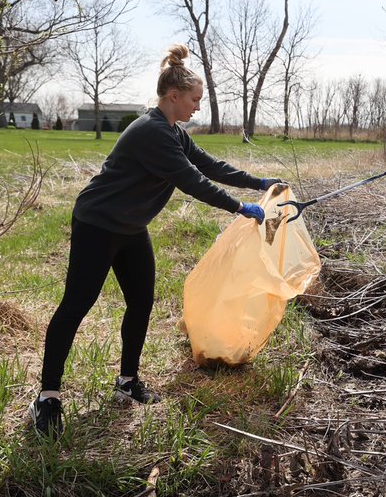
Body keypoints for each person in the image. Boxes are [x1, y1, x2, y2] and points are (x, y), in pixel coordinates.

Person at [30, 45, 282, 437]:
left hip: (131, 228)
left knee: (141, 302)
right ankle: (47, 397)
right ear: (174, 96)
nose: (198, 106)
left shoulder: (174, 132)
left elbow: (209, 165)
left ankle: (127, 383)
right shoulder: (151, 132)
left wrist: (258, 182)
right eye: (195, 99)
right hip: (98, 223)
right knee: (76, 305)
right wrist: (238, 206)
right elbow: (192, 181)